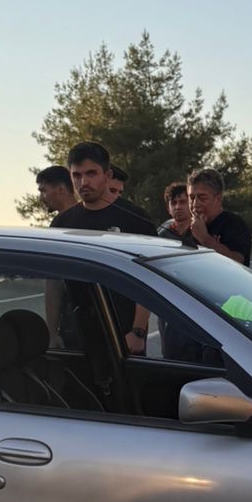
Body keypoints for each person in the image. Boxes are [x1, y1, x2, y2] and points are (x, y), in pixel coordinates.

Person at [51, 142, 157, 353]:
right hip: (75, 336)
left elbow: (147, 280)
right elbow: (53, 283)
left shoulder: (135, 220)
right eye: (77, 175)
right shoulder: (61, 224)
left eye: (91, 173)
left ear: (107, 175)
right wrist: (52, 331)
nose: (84, 182)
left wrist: (138, 331)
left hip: (123, 334)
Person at [181, 169, 251, 266]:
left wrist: (204, 238)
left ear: (218, 198)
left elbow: (237, 263)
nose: (195, 204)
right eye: (191, 198)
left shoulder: (234, 224)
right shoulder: (190, 229)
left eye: (202, 197)